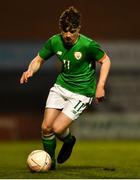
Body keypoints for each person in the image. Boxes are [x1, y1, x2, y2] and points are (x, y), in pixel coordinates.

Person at [20, 6, 111, 170]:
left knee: (57, 128)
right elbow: (38, 59)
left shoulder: (88, 45)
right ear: (60, 29)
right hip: (61, 87)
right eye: (65, 31)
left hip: (81, 93)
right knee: (46, 128)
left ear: (79, 29)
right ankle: (50, 164)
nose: (68, 35)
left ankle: (69, 141)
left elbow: (106, 61)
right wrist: (29, 70)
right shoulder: (55, 41)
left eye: (72, 31)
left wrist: (100, 86)